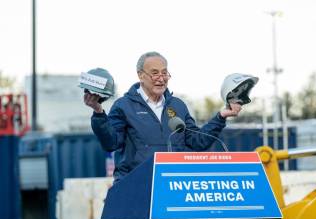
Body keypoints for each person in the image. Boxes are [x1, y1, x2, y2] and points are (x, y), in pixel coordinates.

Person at [84, 51, 242, 184]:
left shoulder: (178, 106)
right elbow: (111, 143)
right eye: (154, 73)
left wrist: (221, 116)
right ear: (140, 75)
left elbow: (198, 141)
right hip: (135, 186)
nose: (161, 78)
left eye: (164, 73)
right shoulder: (123, 106)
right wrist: (98, 112)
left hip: (174, 184)